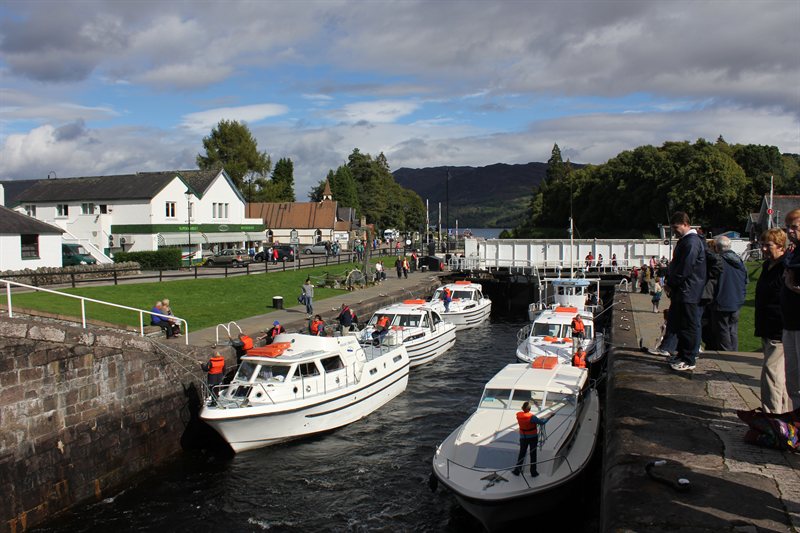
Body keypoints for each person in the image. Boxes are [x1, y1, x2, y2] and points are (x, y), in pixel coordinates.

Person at [665, 211, 706, 371]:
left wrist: (672, 283)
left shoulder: (691, 242)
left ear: (685, 224)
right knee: (680, 324)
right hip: (684, 290)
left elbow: (685, 267)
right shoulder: (688, 241)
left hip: (688, 290)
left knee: (689, 325)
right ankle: (682, 354)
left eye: (676, 228)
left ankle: (689, 358)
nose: (674, 232)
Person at [755, 228, 789, 413]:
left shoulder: (785, 266)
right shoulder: (768, 266)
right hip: (767, 324)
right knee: (776, 374)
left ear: (780, 246)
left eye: (768, 245)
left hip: (779, 326)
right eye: (762, 245)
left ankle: (772, 414)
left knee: (771, 371)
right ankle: (780, 411)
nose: (764, 249)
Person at [711, 235, 748, 351]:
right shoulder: (740, 261)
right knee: (733, 329)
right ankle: (735, 352)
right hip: (737, 300)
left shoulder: (719, 261)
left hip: (722, 299)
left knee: (723, 329)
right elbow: (746, 280)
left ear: (717, 248)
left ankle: (726, 353)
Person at [782, 209, 800, 410]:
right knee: (792, 378)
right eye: (788, 227)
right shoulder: (793, 252)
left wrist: (794, 287)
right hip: (790, 321)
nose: (790, 231)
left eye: (794, 227)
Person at [512, 401, 549, 477]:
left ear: (523, 408)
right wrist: (549, 417)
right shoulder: (532, 417)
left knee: (522, 454)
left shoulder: (518, 415)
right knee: (533, 454)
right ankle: (533, 472)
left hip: (523, 438)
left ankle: (517, 471)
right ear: (529, 409)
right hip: (532, 438)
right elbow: (542, 422)